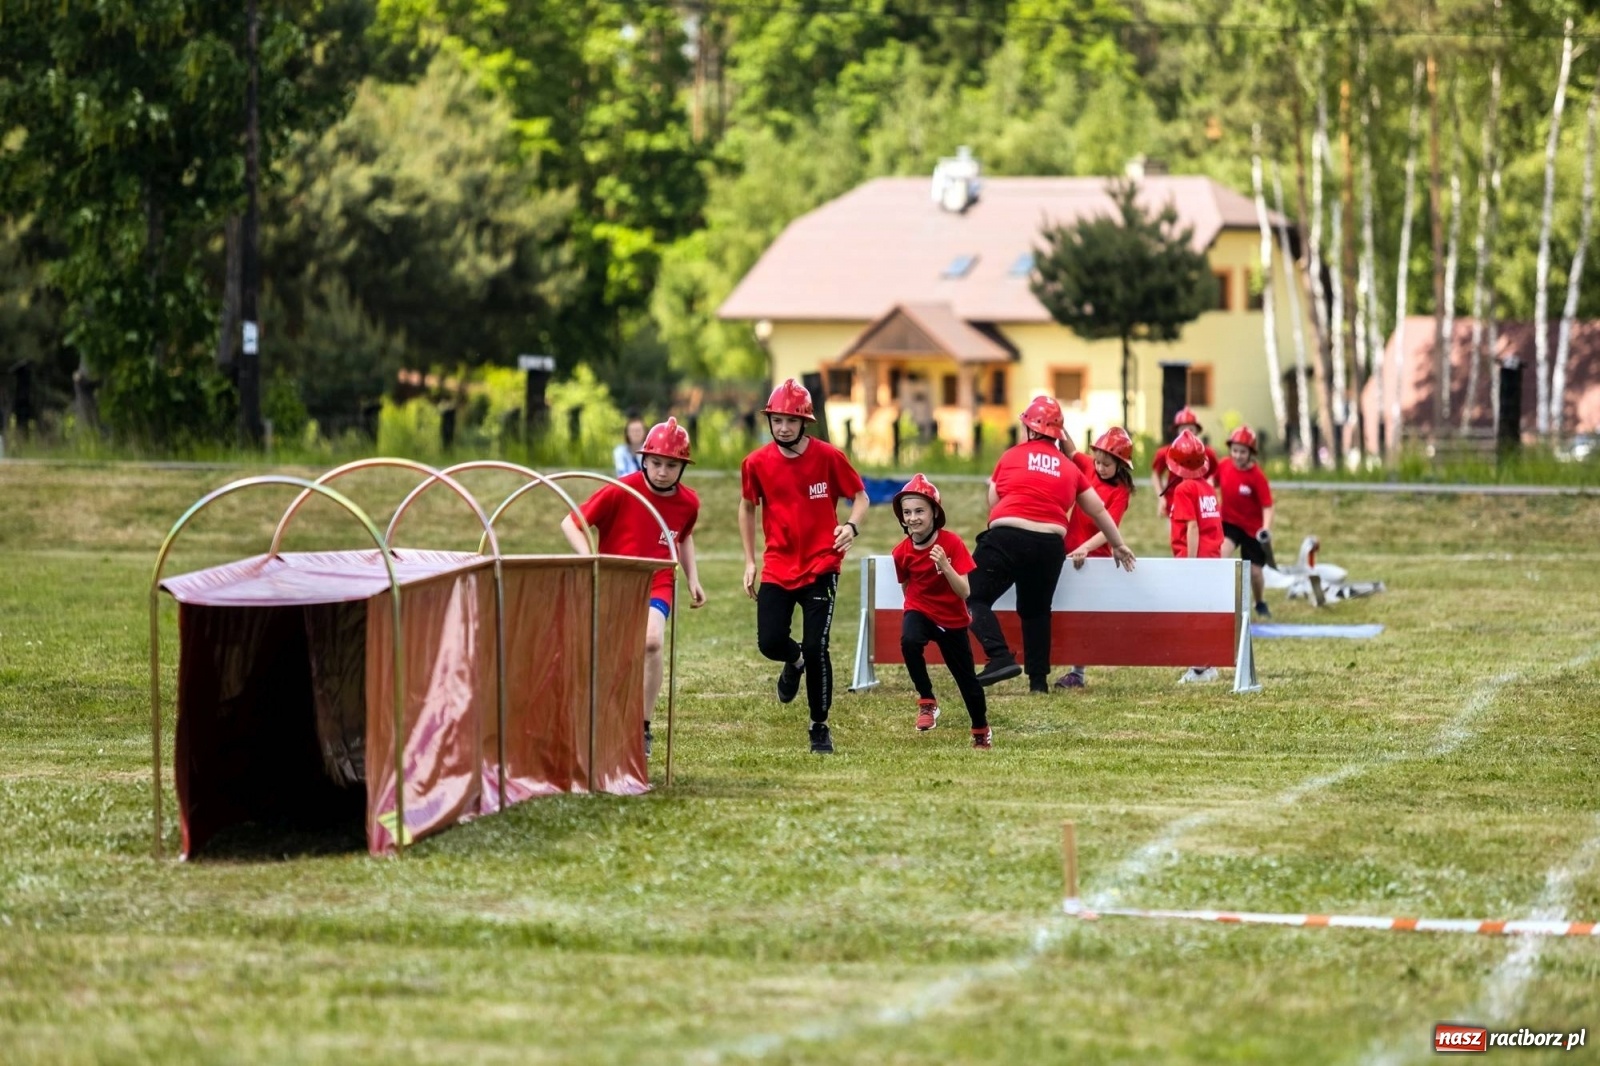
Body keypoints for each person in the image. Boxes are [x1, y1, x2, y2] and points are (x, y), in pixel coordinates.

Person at [968, 395, 1137, 694]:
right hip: (1049, 545)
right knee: (1036, 612)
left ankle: (999, 656)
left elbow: (994, 498)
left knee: (972, 596)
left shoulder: (1011, 456)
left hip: (1007, 534)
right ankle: (1038, 683)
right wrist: (1119, 545)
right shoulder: (1070, 468)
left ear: (1031, 430)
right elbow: (1098, 510)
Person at [562, 417, 705, 758]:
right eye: (655, 462)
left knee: (652, 643)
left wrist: (692, 577)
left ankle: (642, 726)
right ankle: (600, 721)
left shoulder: (689, 503)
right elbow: (571, 522)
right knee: (612, 656)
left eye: (672, 465)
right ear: (643, 459)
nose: (662, 471)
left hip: (657, 579)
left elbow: (683, 538)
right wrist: (591, 559)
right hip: (616, 579)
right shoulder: (620, 491)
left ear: (682, 467)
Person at [739, 379, 869, 754]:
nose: (782, 427)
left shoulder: (828, 457)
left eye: (790, 421)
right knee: (770, 642)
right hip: (778, 565)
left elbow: (859, 497)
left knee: (817, 647)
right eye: (777, 420)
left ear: (804, 423)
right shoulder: (756, 463)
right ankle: (792, 662)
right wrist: (750, 560)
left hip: (821, 564)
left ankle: (819, 726)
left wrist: (851, 526)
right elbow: (747, 507)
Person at [890, 474, 992, 749]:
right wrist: (912, 610)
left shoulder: (952, 543)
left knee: (967, 681)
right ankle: (927, 702)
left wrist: (945, 566)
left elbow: (965, 593)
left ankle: (980, 729)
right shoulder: (900, 552)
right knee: (909, 641)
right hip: (920, 608)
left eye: (920, 511)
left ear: (935, 512)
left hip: (952, 619)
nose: (913, 518)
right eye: (907, 512)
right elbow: (907, 585)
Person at [1053, 426, 1136, 690]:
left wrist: (1086, 549)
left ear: (1121, 464)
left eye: (1106, 464)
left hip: (1094, 560)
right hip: (1069, 550)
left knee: (1082, 616)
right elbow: (1071, 451)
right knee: (1063, 608)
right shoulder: (1089, 467)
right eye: (1098, 461)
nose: (1099, 467)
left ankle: (1077, 673)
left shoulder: (1120, 492)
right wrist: (1060, 425)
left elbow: (1109, 529)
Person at [1163, 429, 1225, 684]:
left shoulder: (1184, 489)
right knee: (1205, 612)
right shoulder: (1206, 488)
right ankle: (1207, 663)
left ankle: (1198, 668)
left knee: (1192, 614)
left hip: (1195, 559)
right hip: (1212, 556)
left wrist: (1190, 564)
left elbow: (1192, 527)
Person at [1219, 424, 1276, 620]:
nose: (1237, 455)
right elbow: (1211, 484)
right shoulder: (1224, 466)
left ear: (1251, 453)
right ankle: (1220, 601)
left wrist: (1265, 529)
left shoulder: (1257, 476)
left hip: (1252, 529)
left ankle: (1259, 602)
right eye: (1234, 450)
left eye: (1242, 452)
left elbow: (1268, 505)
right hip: (1229, 523)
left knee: (1254, 572)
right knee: (1220, 555)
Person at [1150, 406, 1220, 517]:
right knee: (1177, 533)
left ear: (1197, 431)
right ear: (1177, 431)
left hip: (1200, 504)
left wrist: (1210, 483)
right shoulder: (1166, 453)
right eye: (1183, 429)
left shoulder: (1208, 454)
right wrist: (1161, 498)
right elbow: (1155, 474)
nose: (1187, 433)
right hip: (1174, 503)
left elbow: (1217, 474)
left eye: (1191, 429)